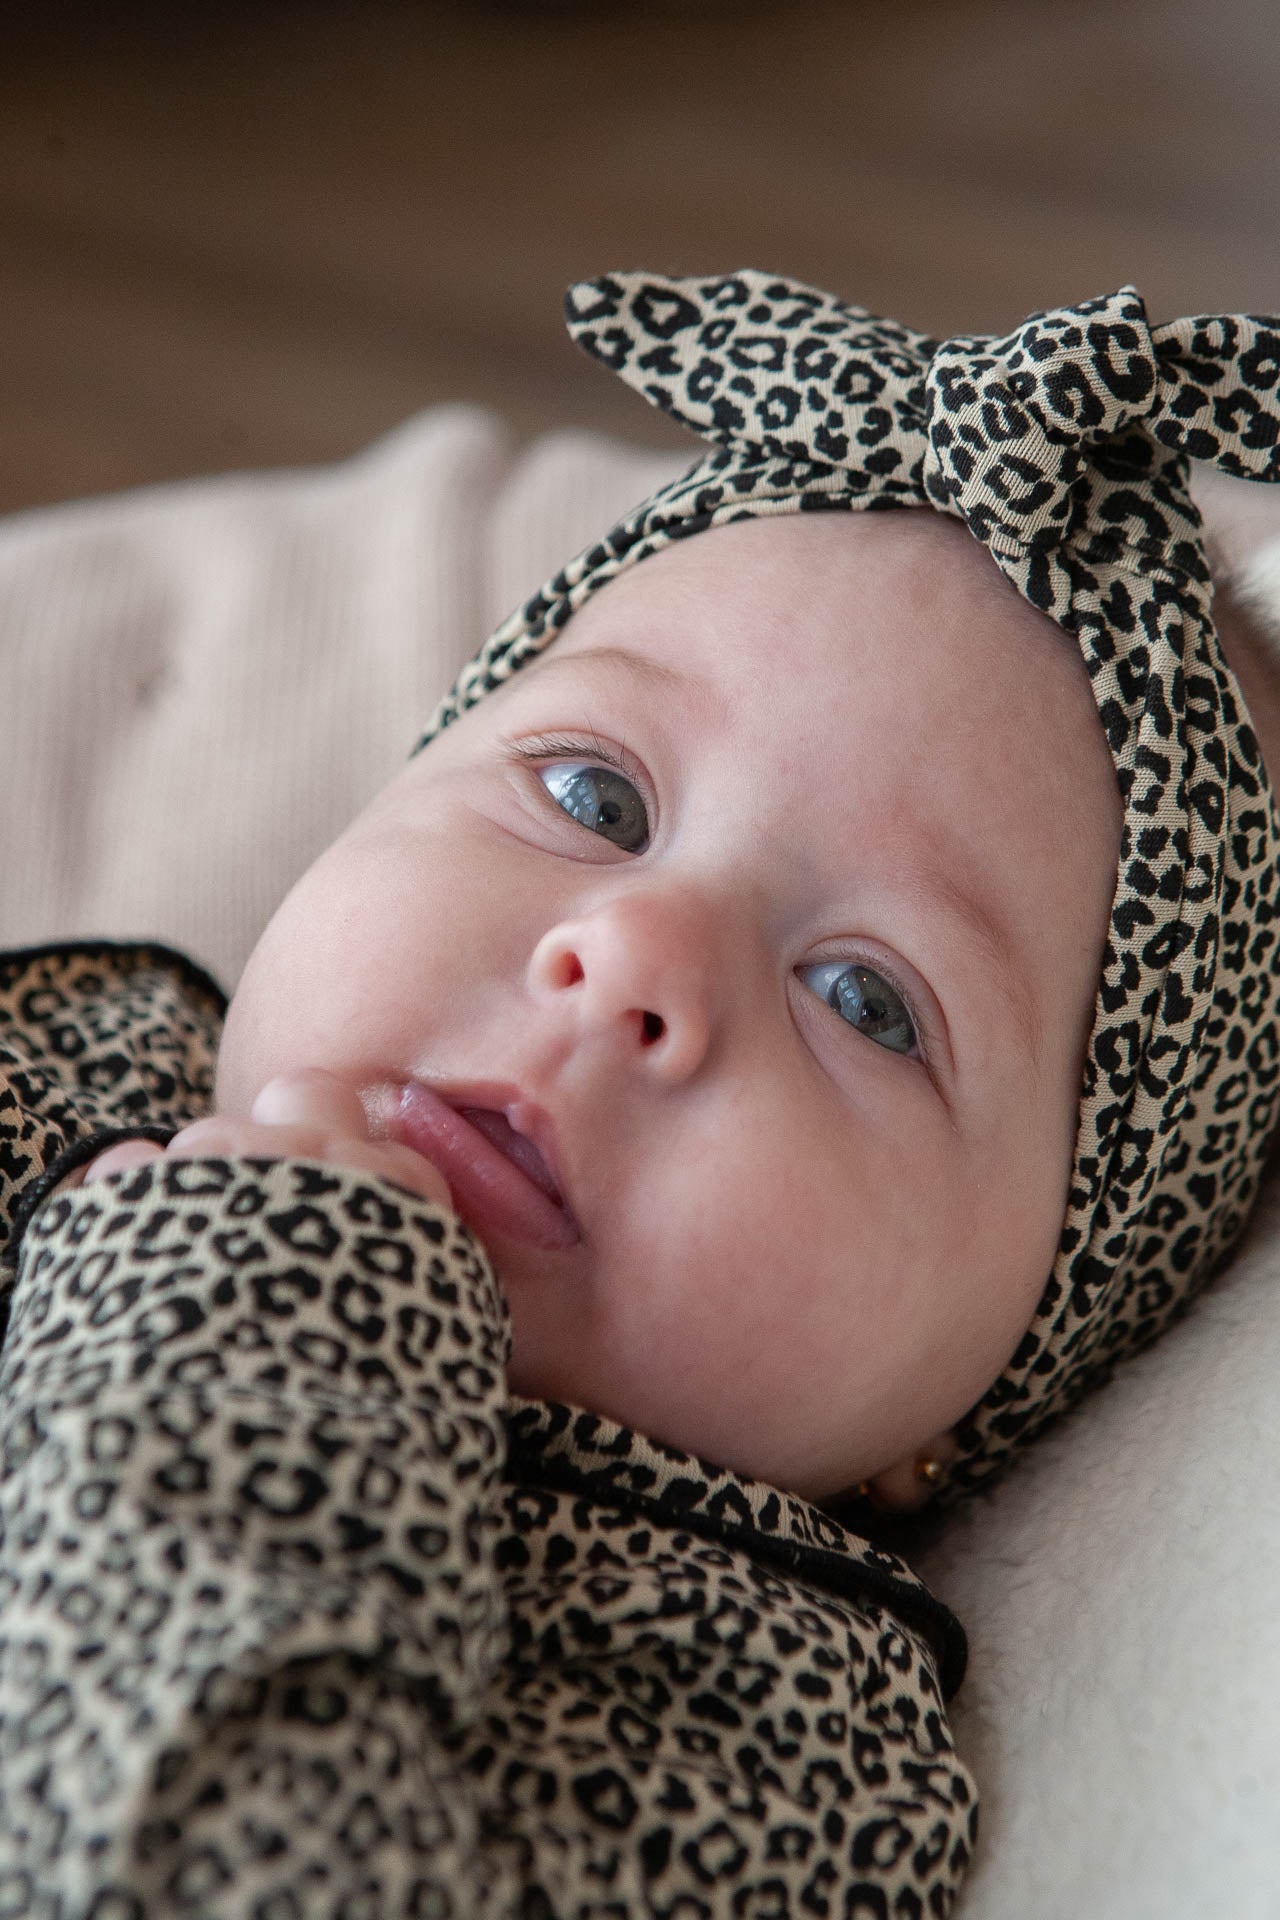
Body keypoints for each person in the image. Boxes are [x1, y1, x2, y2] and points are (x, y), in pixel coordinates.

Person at [1, 270, 1278, 1916]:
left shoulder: (766, 1706)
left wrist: (285, 1303)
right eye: (596, 794)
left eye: (866, 998)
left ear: (990, 1384)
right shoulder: (70, 1058)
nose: (632, 950)